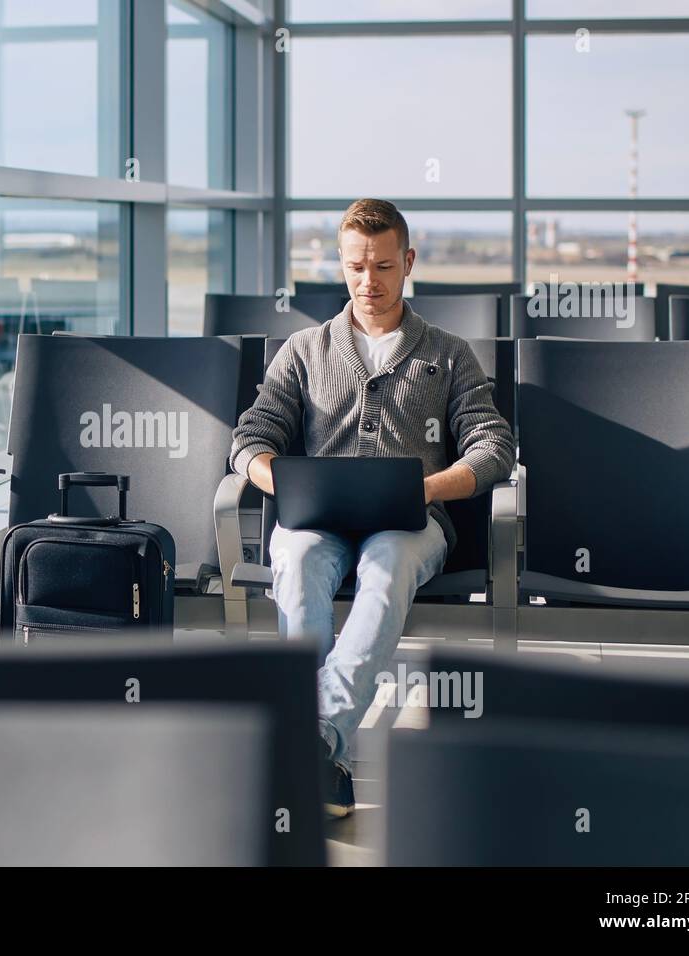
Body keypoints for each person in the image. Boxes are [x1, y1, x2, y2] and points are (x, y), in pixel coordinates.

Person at [230, 198, 515, 816]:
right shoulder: (304, 350)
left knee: (385, 571)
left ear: (407, 262)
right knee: (299, 567)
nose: (369, 282)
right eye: (357, 267)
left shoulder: (447, 354)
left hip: (411, 523)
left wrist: (432, 488)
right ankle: (324, 755)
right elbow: (249, 439)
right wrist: (283, 481)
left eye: (383, 266)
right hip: (314, 521)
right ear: (341, 264)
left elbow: (495, 446)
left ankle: (310, 738)